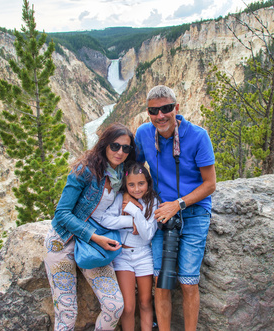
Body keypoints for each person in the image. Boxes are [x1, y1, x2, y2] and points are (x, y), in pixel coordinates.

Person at [132, 85, 216, 331]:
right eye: (154, 111)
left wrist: (178, 204)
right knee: (161, 281)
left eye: (166, 109)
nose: (160, 116)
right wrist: (131, 202)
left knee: (188, 282)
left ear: (176, 109)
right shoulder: (144, 134)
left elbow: (210, 184)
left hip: (193, 211)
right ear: (148, 113)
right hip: (161, 211)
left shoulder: (199, 136)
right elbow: (134, 171)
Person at [44, 123, 136, 331]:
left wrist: (129, 199)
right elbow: (62, 213)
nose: (120, 152)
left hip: (92, 246)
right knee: (66, 314)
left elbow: (138, 184)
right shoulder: (85, 170)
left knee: (115, 306)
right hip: (63, 240)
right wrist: (94, 236)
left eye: (126, 148)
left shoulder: (121, 173)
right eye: (115, 146)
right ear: (104, 145)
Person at [100, 162, 159, 331]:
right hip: (123, 256)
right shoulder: (120, 199)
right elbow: (106, 220)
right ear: (126, 185)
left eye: (141, 183)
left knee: (145, 302)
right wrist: (130, 221)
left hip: (144, 255)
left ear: (148, 182)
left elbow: (147, 234)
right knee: (128, 306)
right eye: (131, 185)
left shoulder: (153, 202)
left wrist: (134, 211)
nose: (136, 189)